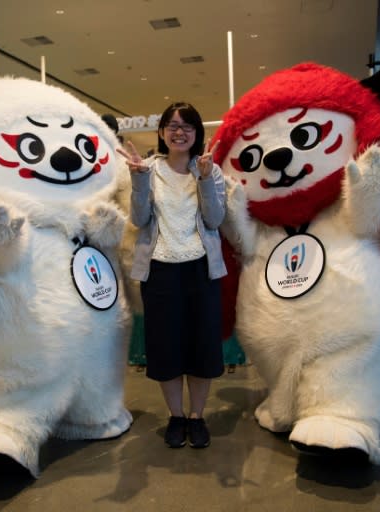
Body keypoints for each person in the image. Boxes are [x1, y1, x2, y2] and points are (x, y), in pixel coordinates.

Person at [117, 102, 226, 449]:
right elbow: (138, 219)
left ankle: (197, 416)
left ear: (197, 134)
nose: (180, 132)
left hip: (201, 270)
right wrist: (138, 182)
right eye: (172, 125)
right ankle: (176, 417)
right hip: (160, 272)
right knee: (166, 348)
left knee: (202, 346)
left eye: (187, 126)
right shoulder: (146, 169)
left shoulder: (209, 169)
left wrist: (207, 179)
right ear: (162, 132)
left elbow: (214, 220)